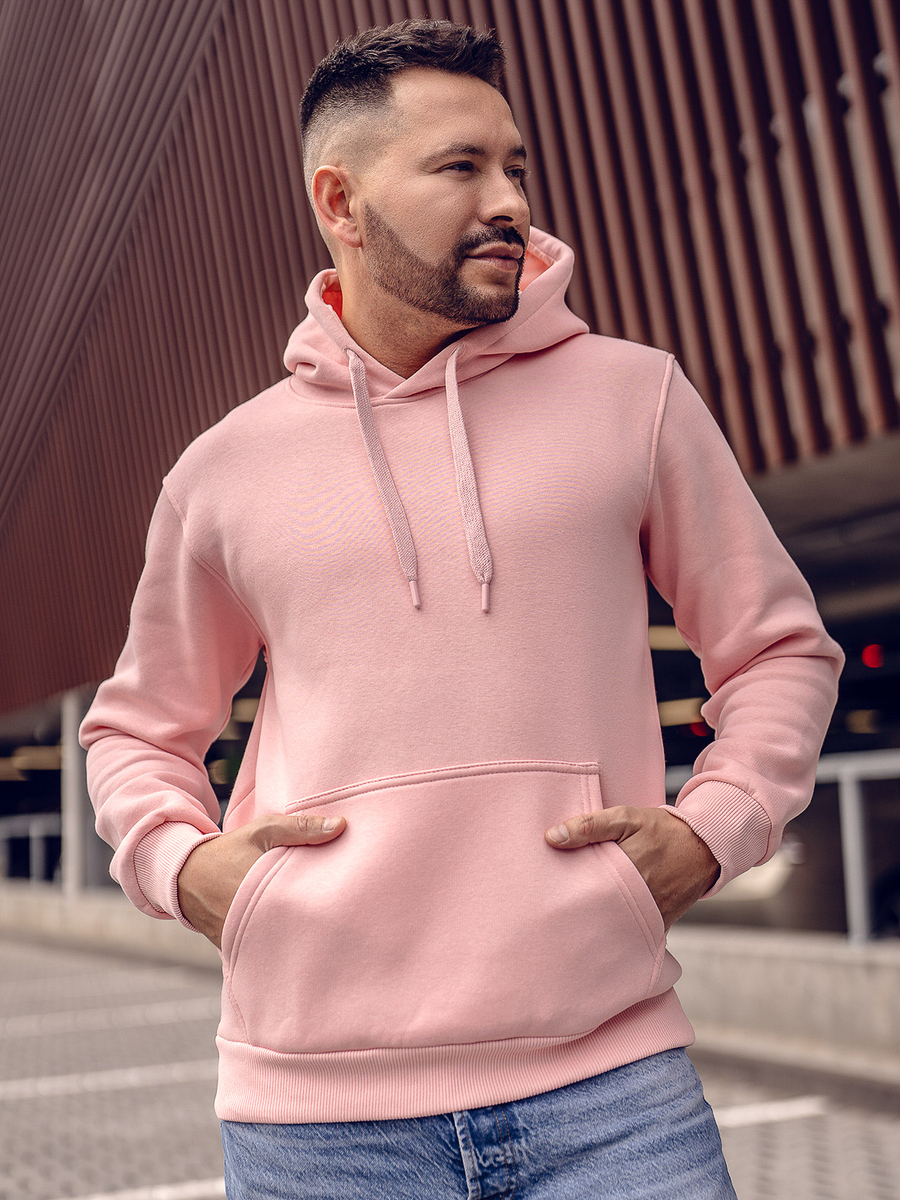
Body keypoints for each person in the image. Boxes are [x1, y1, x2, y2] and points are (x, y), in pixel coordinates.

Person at [80, 19, 843, 1199]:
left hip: (612, 1094)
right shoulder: (222, 473)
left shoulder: (634, 397)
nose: (511, 203)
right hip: (316, 1124)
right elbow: (137, 730)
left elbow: (780, 650)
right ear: (341, 201)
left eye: (515, 165)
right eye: (461, 167)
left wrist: (716, 827)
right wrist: (185, 869)